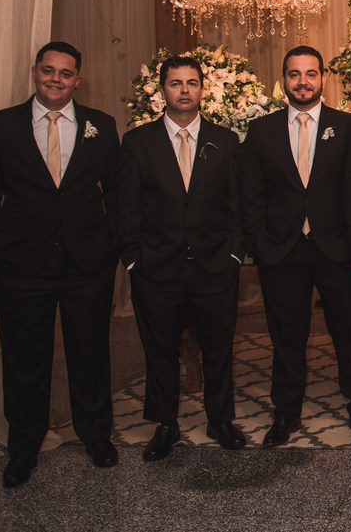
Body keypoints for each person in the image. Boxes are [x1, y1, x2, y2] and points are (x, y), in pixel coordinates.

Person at [0, 41, 120, 487]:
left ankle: (96, 434)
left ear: (78, 80)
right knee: (24, 360)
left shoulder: (101, 125)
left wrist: (111, 249)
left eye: (65, 73)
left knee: (90, 352)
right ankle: (23, 447)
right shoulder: (1, 126)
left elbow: (115, 192)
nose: (56, 79)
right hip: (20, 265)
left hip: (87, 263)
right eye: (48, 70)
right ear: (35, 73)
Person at [239, 46, 351, 447]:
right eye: (295, 74)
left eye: (311, 73)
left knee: (349, 333)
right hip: (282, 251)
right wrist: (259, 243)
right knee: (286, 337)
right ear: (283, 79)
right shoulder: (262, 131)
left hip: (336, 249)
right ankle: (286, 412)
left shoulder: (347, 127)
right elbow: (250, 194)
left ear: (323, 79)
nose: (303, 82)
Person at [118, 55, 246, 461]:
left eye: (192, 83)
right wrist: (134, 259)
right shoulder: (138, 142)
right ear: (163, 91)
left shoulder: (225, 140)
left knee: (219, 347)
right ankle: (165, 424)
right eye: (176, 83)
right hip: (157, 267)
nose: (184, 90)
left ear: (202, 89)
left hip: (214, 265)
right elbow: (127, 207)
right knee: (160, 349)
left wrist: (234, 254)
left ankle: (220, 419)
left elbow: (237, 204)